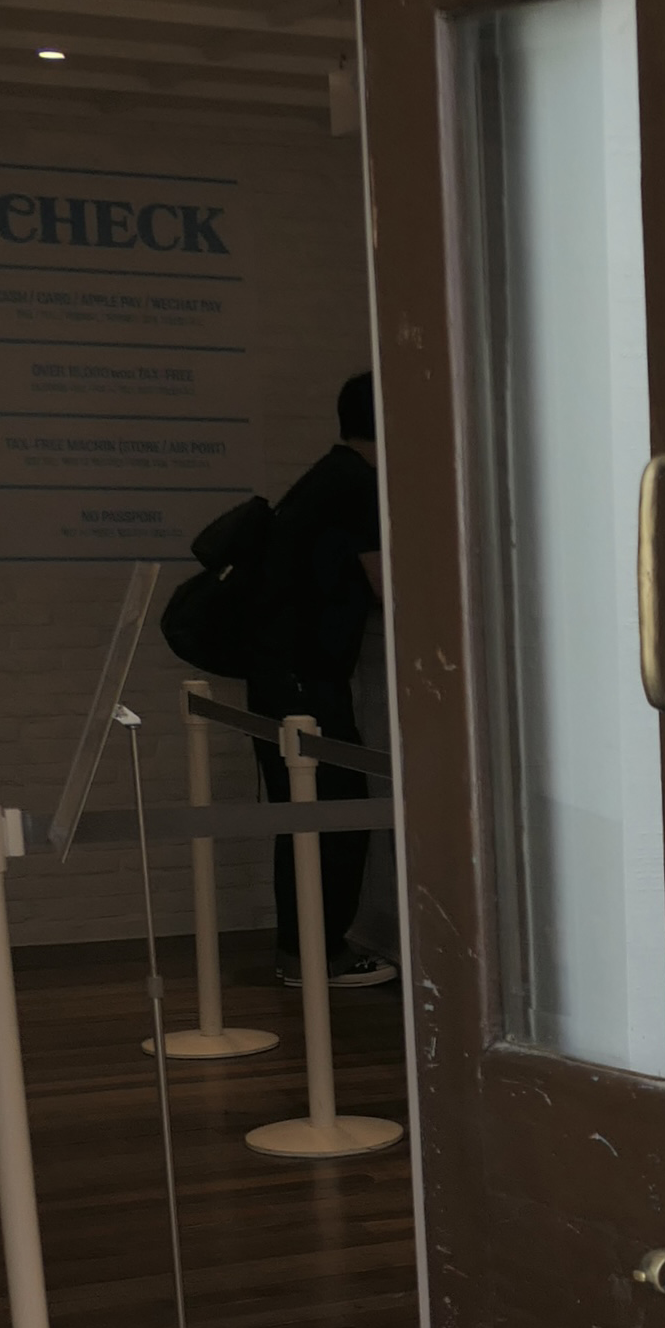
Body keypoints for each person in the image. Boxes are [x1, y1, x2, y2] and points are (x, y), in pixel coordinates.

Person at [249, 369, 393, 990]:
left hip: (279, 673)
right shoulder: (359, 485)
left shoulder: (326, 475)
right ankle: (321, 955)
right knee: (335, 815)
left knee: (304, 815)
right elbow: (386, 586)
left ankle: (300, 952)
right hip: (307, 680)